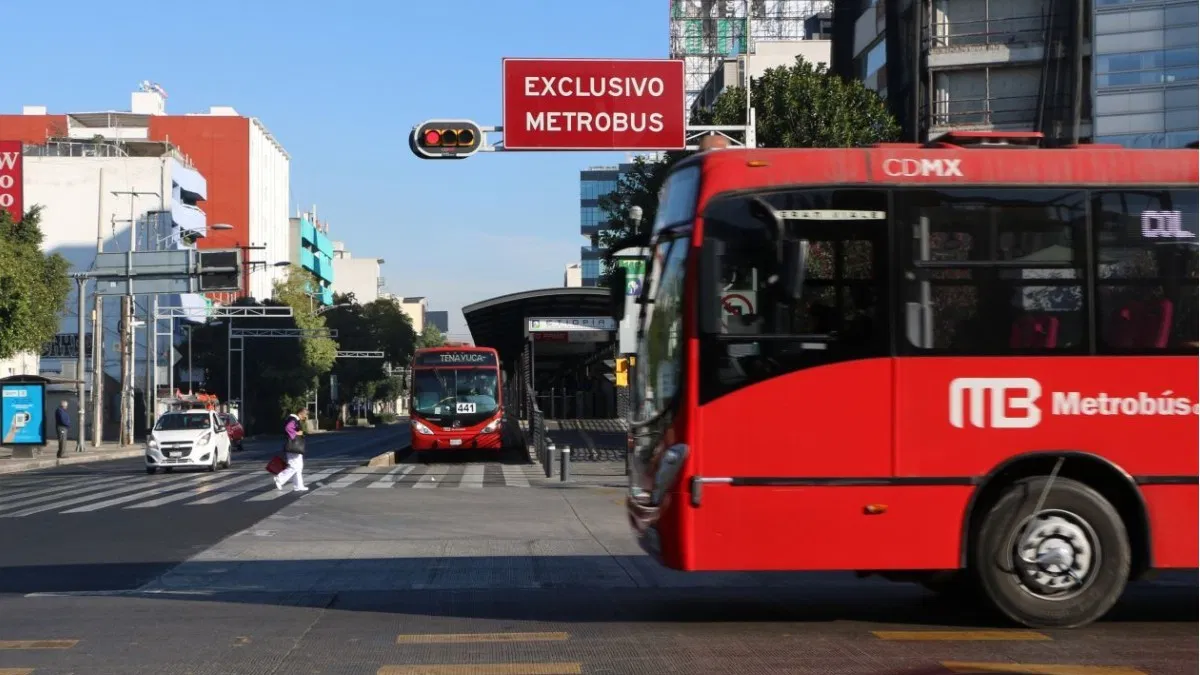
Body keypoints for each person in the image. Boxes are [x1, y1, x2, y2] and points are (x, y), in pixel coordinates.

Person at [273, 407, 309, 492]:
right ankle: (279, 478)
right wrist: (297, 433)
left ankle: (298, 485)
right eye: (305, 415)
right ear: (300, 413)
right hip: (293, 446)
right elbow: (288, 428)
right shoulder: (293, 419)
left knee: (299, 466)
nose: (306, 417)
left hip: (295, 446)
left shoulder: (295, 419)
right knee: (294, 466)